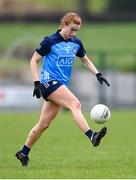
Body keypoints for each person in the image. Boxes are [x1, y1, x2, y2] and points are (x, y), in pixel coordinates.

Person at [15, 12, 110, 166]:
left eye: (76, 31)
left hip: (60, 86)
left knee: (44, 124)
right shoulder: (49, 41)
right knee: (75, 104)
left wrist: (97, 74)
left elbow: (85, 61)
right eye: (72, 29)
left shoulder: (76, 43)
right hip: (48, 83)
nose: (73, 33)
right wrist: (36, 82)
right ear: (64, 24)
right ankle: (92, 135)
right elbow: (34, 60)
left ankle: (23, 152)